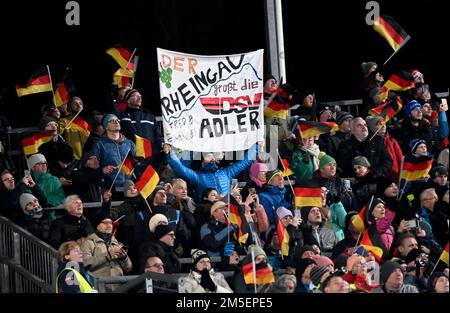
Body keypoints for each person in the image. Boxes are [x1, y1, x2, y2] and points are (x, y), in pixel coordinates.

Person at [163, 143, 258, 201]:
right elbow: (179, 167)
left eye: (213, 155)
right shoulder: (198, 176)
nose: (211, 157)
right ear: (202, 161)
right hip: (211, 211)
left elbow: (245, 162)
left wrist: (257, 145)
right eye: (207, 155)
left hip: (230, 209)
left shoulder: (225, 173)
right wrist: (169, 152)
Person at [80, 212, 132, 292]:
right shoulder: (88, 243)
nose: (109, 225)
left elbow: (128, 268)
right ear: (97, 226)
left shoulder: (117, 243)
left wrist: (124, 258)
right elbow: (86, 264)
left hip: (119, 287)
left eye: (111, 223)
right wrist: (108, 255)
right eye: (105, 222)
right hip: (99, 286)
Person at [92, 114, 136, 196]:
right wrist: (103, 170)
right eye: (112, 121)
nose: (116, 122)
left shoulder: (129, 143)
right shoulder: (100, 144)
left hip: (130, 187)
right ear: (106, 127)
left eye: (117, 120)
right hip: (110, 188)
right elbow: (95, 167)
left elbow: (136, 162)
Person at [114, 88, 164, 156]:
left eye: (140, 96)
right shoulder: (121, 114)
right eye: (135, 95)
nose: (139, 98)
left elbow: (158, 135)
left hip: (150, 156)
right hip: (129, 156)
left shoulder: (149, 115)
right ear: (128, 100)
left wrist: (162, 145)